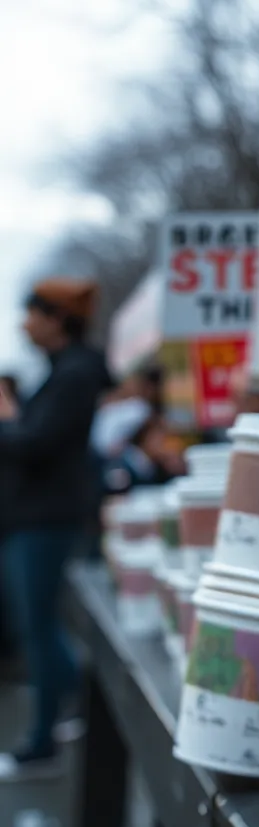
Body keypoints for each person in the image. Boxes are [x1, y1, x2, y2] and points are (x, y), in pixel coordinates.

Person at [0, 278, 111, 777]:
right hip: (35, 518)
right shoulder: (65, 372)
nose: (24, 325)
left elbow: (36, 442)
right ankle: (80, 708)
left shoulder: (76, 373)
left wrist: (4, 418)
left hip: (46, 520)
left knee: (39, 626)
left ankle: (44, 737)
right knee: (41, 626)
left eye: (31, 314)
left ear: (56, 319)